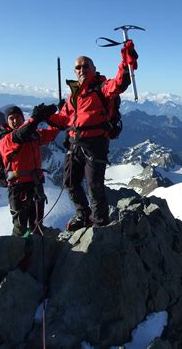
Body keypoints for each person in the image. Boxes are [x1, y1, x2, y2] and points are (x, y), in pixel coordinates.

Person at [48, 40, 138, 232]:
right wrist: (45, 116)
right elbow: (64, 119)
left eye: (85, 66)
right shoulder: (74, 95)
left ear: (93, 68)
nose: (81, 70)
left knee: (94, 186)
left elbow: (119, 83)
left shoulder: (101, 88)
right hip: (74, 143)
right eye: (77, 67)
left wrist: (125, 60)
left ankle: (99, 223)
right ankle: (83, 215)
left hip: (95, 144)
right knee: (70, 182)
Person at [0, 104, 59, 236]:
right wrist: (35, 119)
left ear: (22, 118)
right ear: (6, 122)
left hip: (35, 185)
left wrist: (56, 116)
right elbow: (20, 135)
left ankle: (33, 253)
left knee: (37, 224)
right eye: (11, 118)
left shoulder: (33, 135)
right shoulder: (6, 140)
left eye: (17, 117)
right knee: (20, 228)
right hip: (18, 188)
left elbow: (52, 133)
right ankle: (20, 255)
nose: (14, 121)